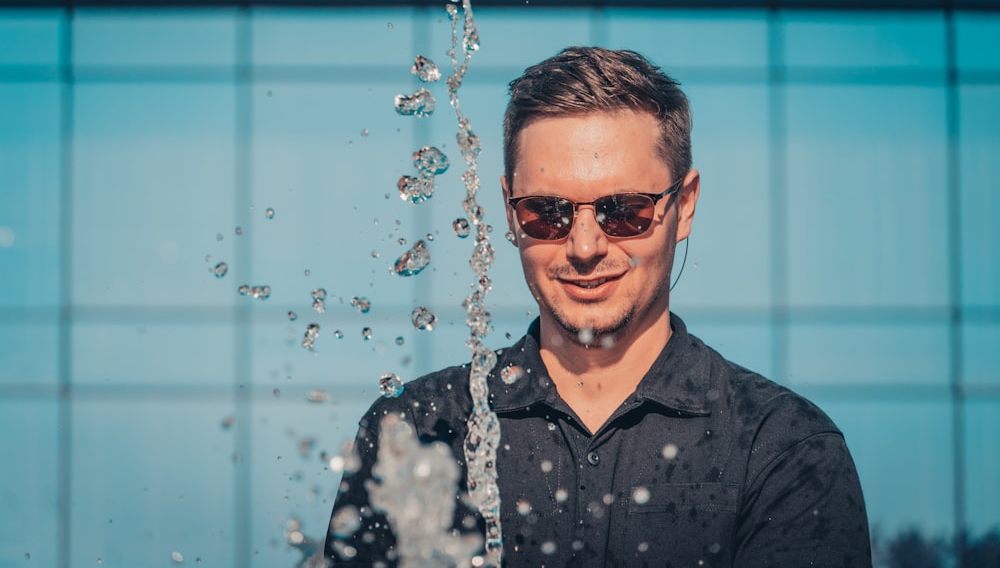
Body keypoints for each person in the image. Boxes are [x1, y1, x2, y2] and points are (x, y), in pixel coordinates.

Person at [325, 47, 872, 566]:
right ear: (511, 215)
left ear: (684, 206)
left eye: (624, 211)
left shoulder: (781, 449)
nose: (585, 246)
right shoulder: (420, 429)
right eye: (547, 212)